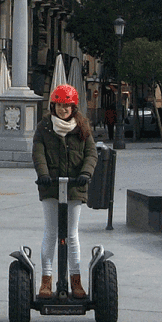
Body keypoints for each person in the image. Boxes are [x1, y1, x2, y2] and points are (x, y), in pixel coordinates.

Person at [32, 84, 98, 299]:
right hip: (50, 185)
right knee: (51, 232)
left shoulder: (82, 127)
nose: (63, 110)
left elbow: (91, 154)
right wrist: (43, 173)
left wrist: (86, 174)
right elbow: (38, 153)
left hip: (75, 186)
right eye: (60, 106)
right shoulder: (44, 127)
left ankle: (76, 281)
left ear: (73, 107)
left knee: (71, 234)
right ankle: (46, 281)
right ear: (54, 105)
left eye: (67, 106)